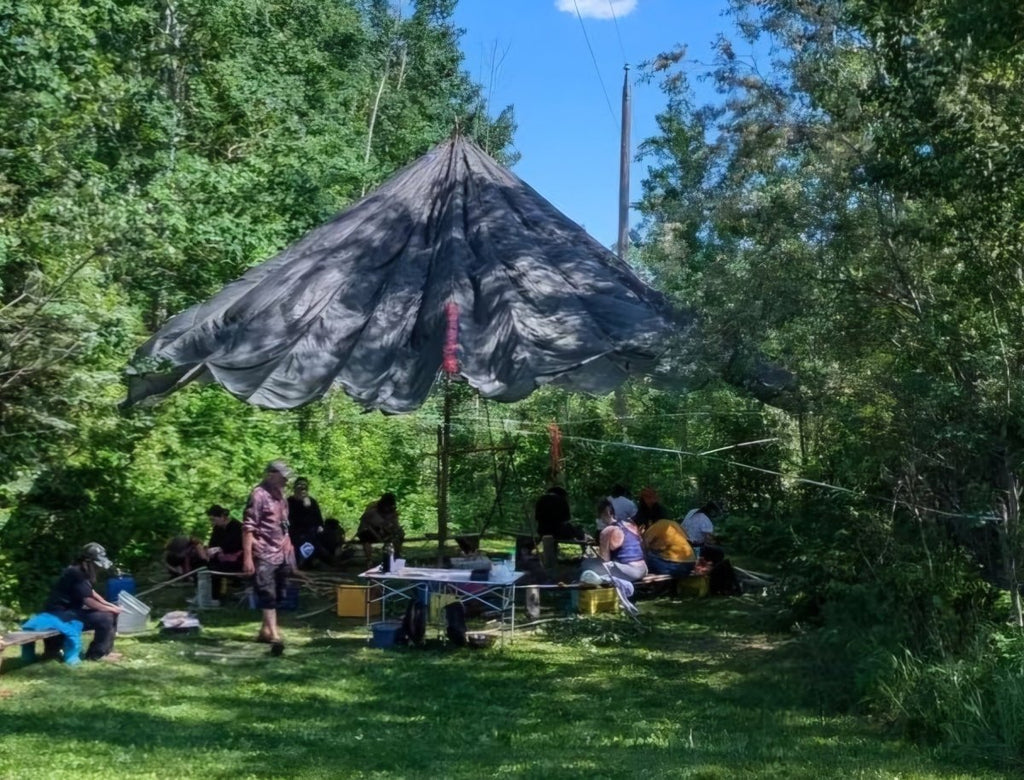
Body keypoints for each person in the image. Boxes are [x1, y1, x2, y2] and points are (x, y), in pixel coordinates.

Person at [243, 460, 295, 653]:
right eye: (283, 476)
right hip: (263, 551)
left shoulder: (281, 495)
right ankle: (274, 634)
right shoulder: (258, 495)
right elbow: (248, 528)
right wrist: (247, 557)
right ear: (271, 474)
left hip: (281, 552)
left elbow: (285, 523)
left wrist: (289, 543)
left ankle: (265, 630)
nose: (286, 480)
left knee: (280, 593)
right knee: (267, 594)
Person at [43, 542, 124, 662]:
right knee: (105, 617)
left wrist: (110, 605)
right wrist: (112, 609)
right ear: (87, 561)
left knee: (111, 612)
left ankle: (105, 651)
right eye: (96, 565)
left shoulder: (83, 573)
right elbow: (89, 601)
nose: (98, 568)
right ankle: (96, 655)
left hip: (70, 612)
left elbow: (90, 592)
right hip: (59, 614)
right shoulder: (76, 573)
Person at [579, 498, 648, 584]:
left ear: (606, 513)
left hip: (630, 571)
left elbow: (605, 560)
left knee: (586, 564)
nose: (599, 519)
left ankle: (603, 580)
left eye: (599, 516)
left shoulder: (607, 531)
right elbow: (642, 547)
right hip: (643, 570)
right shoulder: (631, 525)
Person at [206, 504, 244, 598]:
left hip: (238, 559)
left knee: (215, 569)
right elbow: (213, 543)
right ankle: (211, 595)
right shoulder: (217, 529)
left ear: (223, 517)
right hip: (222, 558)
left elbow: (235, 544)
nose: (212, 523)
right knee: (205, 564)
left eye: (214, 520)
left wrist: (220, 549)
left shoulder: (237, 527)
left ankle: (215, 596)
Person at [287, 477, 325, 569]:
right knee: (304, 540)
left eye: (304, 486)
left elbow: (318, 519)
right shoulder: (289, 501)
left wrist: (320, 526)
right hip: (295, 530)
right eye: (300, 486)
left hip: (311, 530)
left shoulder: (312, 502)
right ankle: (311, 561)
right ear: (295, 488)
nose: (302, 488)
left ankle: (315, 560)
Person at [357, 491, 404, 562]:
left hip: (382, 531)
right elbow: (365, 525)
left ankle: (396, 556)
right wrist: (377, 535)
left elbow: (395, 524)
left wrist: (395, 530)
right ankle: (369, 560)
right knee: (365, 537)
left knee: (399, 534)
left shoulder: (392, 511)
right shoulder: (372, 511)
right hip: (368, 531)